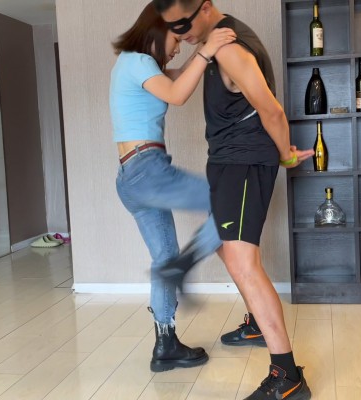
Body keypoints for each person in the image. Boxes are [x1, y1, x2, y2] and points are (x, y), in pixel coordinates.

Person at [153, 1, 314, 399]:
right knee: (225, 247)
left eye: (183, 24)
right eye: (173, 28)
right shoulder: (210, 44)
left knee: (243, 262)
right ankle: (258, 324)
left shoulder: (229, 47)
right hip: (228, 162)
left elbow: (271, 111)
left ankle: (287, 376)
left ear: (205, 7)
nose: (180, 34)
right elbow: (180, 78)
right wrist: (143, 64)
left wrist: (286, 155)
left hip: (243, 162)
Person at [110, 2, 236, 372]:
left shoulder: (132, 65)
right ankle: (184, 266)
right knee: (227, 201)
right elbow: (178, 94)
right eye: (176, 37)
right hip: (147, 170)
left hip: (130, 178)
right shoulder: (138, 61)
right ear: (158, 28)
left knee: (162, 258)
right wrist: (209, 50)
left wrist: (205, 49)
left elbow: (179, 77)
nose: (178, 46)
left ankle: (165, 345)